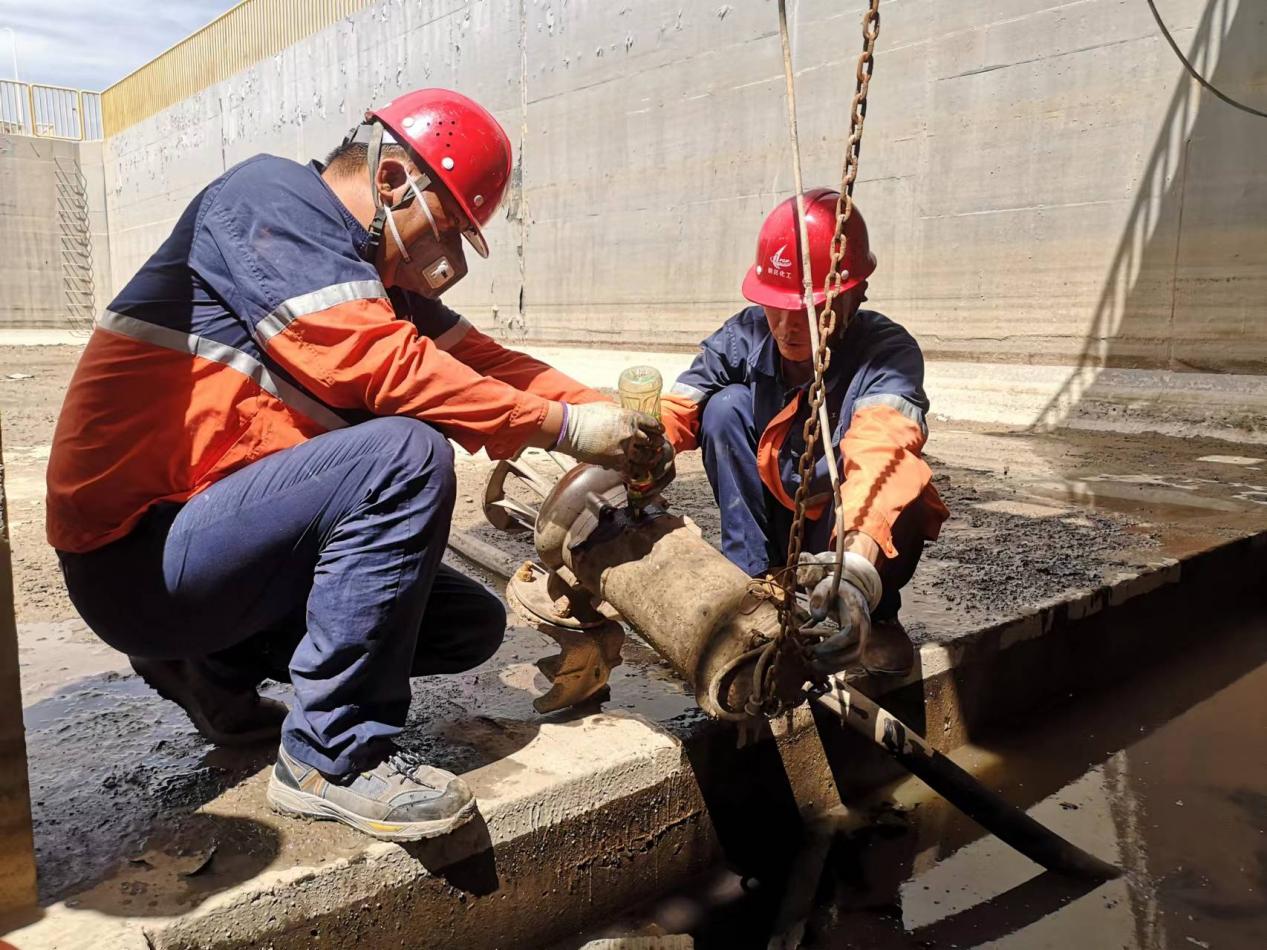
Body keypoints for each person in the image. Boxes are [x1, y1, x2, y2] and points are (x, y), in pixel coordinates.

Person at [46, 88, 668, 841]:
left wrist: (629, 423)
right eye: (446, 227)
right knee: (402, 454)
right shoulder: (269, 200)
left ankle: (210, 669)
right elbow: (377, 364)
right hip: (139, 558)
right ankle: (330, 757)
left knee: (462, 626)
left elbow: (492, 365)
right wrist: (564, 428)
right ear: (393, 180)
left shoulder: (366, 276)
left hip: (217, 552)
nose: (444, 258)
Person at [659, 189, 948, 677]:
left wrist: (856, 566)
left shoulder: (887, 354)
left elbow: (882, 451)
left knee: (905, 488)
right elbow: (680, 405)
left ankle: (876, 613)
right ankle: (756, 586)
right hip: (779, 514)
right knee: (723, 408)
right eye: (775, 307)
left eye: (811, 310)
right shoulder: (746, 335)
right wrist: (640, 451)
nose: (788, 327)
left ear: (856, 293)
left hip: (844, 524)